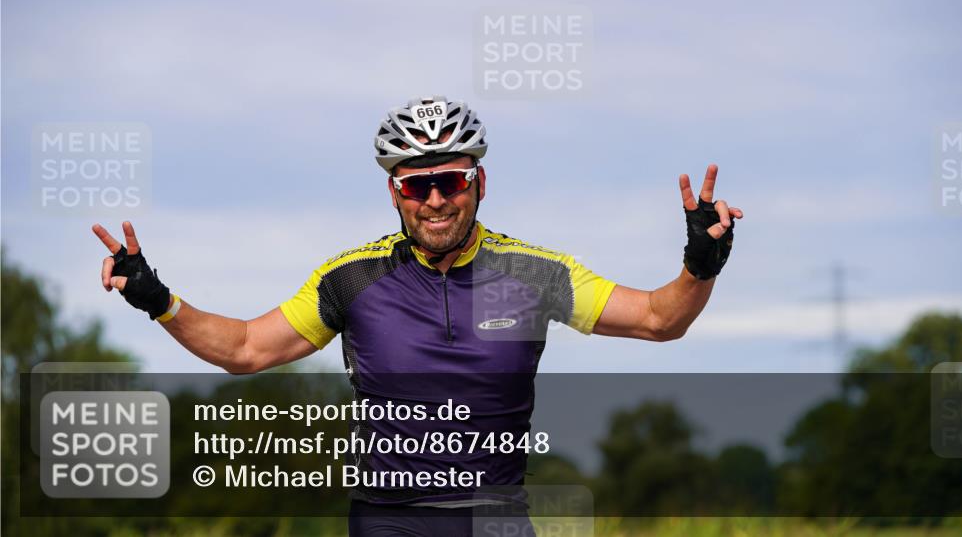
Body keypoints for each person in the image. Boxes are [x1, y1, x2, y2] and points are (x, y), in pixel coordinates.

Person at [92, 96, 743, 536]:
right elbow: (244, 348)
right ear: (394, 192)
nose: (435, 200)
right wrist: (160, 301)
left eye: (451, 181)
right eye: (416, 185)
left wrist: (700, 265)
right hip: (389, 518)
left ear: (479, 184)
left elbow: (658, 318)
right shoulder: (350, 278)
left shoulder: (535, 273)